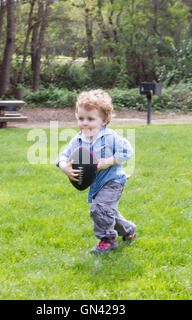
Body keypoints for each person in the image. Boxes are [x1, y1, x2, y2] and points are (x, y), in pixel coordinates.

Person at [56, 89, 137, 254]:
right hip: (96, 183)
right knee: (107, 211)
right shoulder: (78, 139)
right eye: (81, 118)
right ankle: (128, 229)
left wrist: (110, 161)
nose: (84, 123)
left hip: (113, 181)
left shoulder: (110, 137)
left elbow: (127, 151)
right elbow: (63, 155)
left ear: (104, 120)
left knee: (98, 208)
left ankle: (107, 240)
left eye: (90, 119)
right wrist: (64, 166)